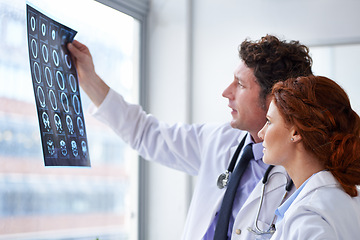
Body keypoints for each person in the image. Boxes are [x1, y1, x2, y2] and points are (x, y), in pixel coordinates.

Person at [67, 35, 313, 240]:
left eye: (239, 85)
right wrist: (88, 79)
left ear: (274, 98)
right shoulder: (221, 140)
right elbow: (146, 133)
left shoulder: (307, 175)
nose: (226, 92)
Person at [258, 75, 360, 239]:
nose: (260, 134)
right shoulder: (348, 197)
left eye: (269, 122)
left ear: (296, 132)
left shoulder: (308, 218)